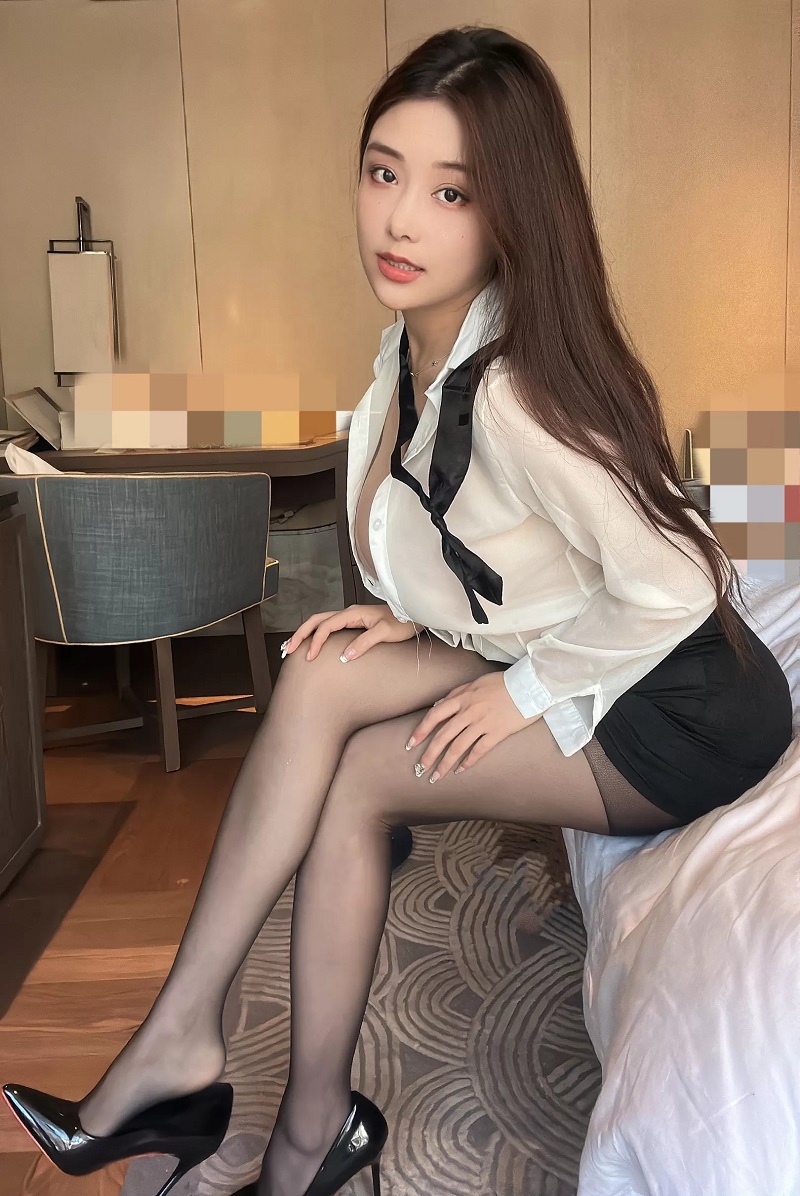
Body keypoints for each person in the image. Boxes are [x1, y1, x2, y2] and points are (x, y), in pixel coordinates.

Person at [3, 24, 793, 1196]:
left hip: (680, 709)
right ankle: (190, 1042)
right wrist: (421, 626)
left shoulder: (516, 388)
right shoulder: (408, 357)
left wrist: (518, 692)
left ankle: (296, 1129)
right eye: (383, 173)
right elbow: (498, 556)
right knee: (322, 670)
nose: (400, 219)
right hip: (578, 645)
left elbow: (681, 582)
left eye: (449, 191)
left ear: (508, 211)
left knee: (363, 776)